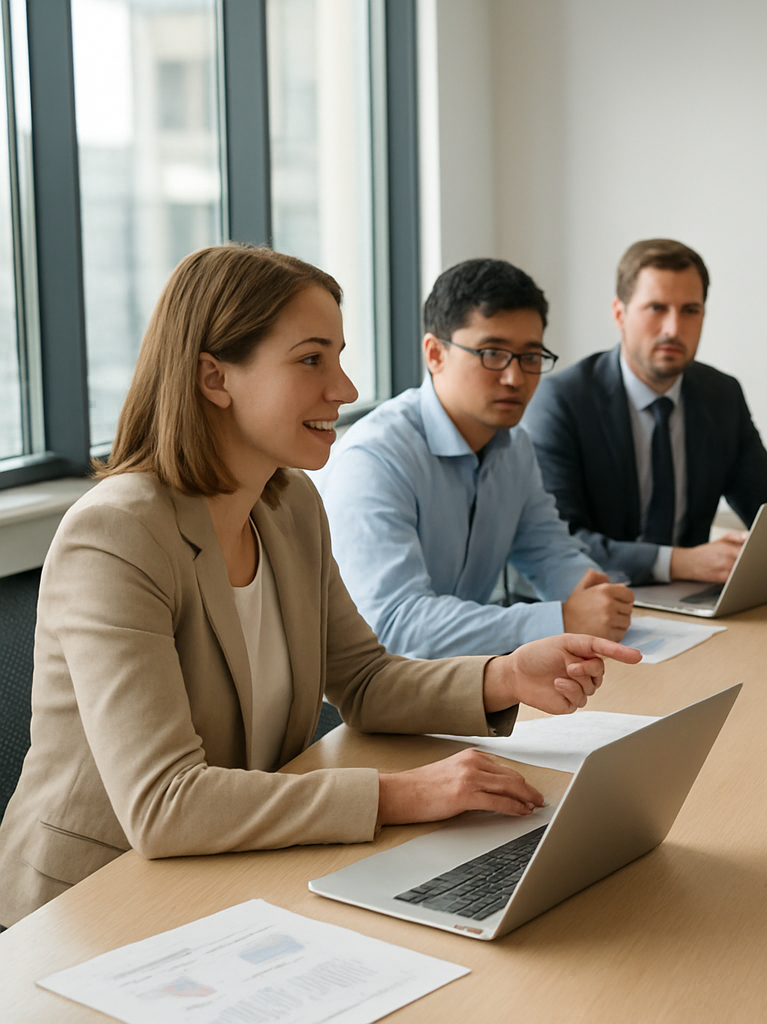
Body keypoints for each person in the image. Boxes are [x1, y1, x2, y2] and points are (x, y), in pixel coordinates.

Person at [0, 245, 640, 927]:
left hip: (234, 871)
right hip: (91, 905)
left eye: (338, 356)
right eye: (312, 360)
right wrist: (399, 795)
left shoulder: (290, 506)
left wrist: (505, 676)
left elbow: (362, 680)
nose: (345, 388)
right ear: (214, 377)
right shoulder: (117, 535)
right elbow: (164, 803)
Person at [321, 258, 633, 655]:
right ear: (435, 354)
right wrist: (563, 619)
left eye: (531, 357)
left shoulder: (514, 446)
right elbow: (395, 626)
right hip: (359, 699)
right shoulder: (376, 458)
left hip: (459, 678)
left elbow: (547, 549)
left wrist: (594, 596)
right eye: (492, 353)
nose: (514, 378)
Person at [521, 238, 767, 585]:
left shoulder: (721, 395)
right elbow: (558, 542)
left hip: (691, 602)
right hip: (595, 601)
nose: (673, 329)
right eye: (656, 308)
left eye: (690, 310)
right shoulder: (562, 400)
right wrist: (679, 562)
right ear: (620, 314)